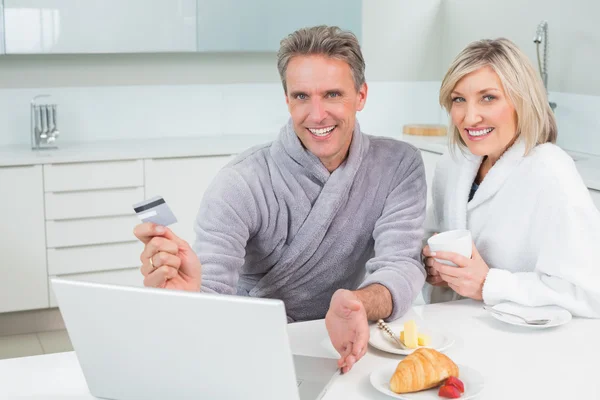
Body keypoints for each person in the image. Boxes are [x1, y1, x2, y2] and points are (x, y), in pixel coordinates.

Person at [134, 25, 428, 373]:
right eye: (302, 96)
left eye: (332, 94)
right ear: (287, 99)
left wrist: (356, 303)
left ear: (361, 96)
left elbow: (402, 265)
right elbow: (213, 287)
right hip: (258, 342)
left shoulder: (398, 165)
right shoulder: (240, 182)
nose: (316, 115)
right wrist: (190, 296)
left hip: (351, 339)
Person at [422, 38, 600, 317]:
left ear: (522, 101)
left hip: (523, 346)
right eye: (459, 99)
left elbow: (589, 293)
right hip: (454, 332)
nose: (470, 118)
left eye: (488, 98)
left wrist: (489, 284)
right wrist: (431, 265)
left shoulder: (550, 172)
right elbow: (430, 237)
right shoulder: (453, 166)